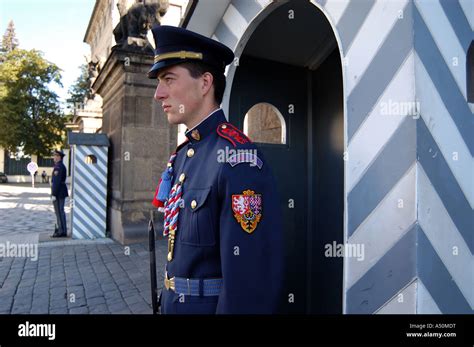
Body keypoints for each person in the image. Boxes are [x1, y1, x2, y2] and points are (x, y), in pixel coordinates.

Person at [149, 25, 283, 314]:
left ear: (205, 82)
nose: (159, 94)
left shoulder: (239, 159)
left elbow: (249, 279)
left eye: (168, 79)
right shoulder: (183, 156)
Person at [51, 150, 68, 238]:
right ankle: (63, 230)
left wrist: (53, 194)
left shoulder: (58, 167)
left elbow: (56, 182)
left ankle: (61, 231)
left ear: (59, 157)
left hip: (58, 192)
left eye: (55, 156)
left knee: (59, 212)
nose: (54, 157)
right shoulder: (61, 166)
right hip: (61, 191)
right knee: (61, 211)